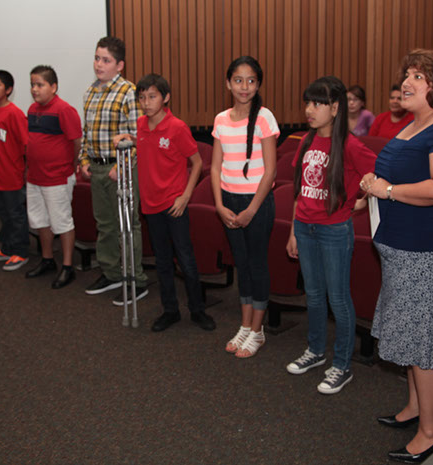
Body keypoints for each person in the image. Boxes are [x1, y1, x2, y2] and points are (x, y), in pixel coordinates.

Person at [360, 49, 433, 463]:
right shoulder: (413, 126)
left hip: (430, 252)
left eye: (418, 77)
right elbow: (400, 176)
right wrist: (375, 184)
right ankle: (415, 409)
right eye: (406, 73)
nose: (406, 82)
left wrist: (387, 191)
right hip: (401, 250)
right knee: (410, 333)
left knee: (424, 341)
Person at [285, 76, 376, 395]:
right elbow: (299, 189)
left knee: (338, 298)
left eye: (317, 103)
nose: (309, 109)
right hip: (306, 229)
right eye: (307, 103)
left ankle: (342, 365)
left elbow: (377, 177)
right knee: (313, 294)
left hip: (334, 231)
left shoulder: (350, 145)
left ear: (335, 108)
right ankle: (315, 351)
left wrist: (359, 201)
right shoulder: (307, 140)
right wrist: (294, 230)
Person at [113, 73, 216, 331]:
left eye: (152, 97)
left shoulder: (177, 127)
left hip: (174, 203)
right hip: (150, 204)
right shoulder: (141, 124)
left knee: (185, 258)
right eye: (142, 98)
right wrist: (129, 139)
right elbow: (146, 147)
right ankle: (170, 310)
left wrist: (185, 196)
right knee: (162, 260)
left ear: (165, 97)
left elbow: (197, 163)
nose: (146, 103)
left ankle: (197, 310)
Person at [211, 56, 279, 358]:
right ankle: (245, 324)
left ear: (258, 85)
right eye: (238, 80)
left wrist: (252, 209)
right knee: (241, 264)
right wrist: (218, 205)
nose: (245, 86)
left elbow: (271, 170)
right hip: (229, 201)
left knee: (257, 264)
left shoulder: (265, 117)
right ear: (228, 83)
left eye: (251, 80)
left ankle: (257, 330)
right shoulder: (221, 119)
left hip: (257, 202)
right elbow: (215, 168)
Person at [78, 37, 149, 305]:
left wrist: (122, 166)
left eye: (105, 60)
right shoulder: (90, 92)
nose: (99, 64)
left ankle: (136, 279)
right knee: (105, 226)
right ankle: (111, 273)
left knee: (127, 227)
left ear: (119, 65)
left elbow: (136, 136)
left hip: (120, 170)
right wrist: (84, 158)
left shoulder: (129, 92)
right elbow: (87, 133)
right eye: (97, 58)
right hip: (96, 168)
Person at [24, 65, 82, 289]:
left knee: (62, 222)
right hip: (35, 177)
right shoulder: (32, 109)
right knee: (40, 221)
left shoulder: (64, 110)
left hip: (57, 177)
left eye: (40, 85)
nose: (34, 89)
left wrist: (71, 166)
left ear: (53, 86)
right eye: (32, 85)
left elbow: (76, 141)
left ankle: (68, 267)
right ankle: (47, 260)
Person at [0, 70, 30, 271]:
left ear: (8, 89)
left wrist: (25, 171)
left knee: (15, 214)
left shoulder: (14, 113)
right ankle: (7, 248)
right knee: (3, 213)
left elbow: (26, 145)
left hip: (10, 175)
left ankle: (21, 252)